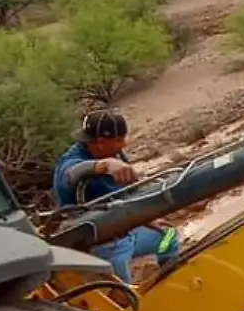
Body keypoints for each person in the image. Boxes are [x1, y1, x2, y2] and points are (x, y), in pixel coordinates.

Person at [52, 108, 180, 280]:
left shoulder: (115, 154)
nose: (124, 145)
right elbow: (70, 175)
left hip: (127, 230)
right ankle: (123, 298)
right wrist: (104, 165)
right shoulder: (71, 161)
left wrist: (149, 219)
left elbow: (131, 192)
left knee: (168, 238)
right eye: (119, 140)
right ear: (101, 142)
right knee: (122, 293)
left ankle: (169, 282)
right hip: (103, 244)